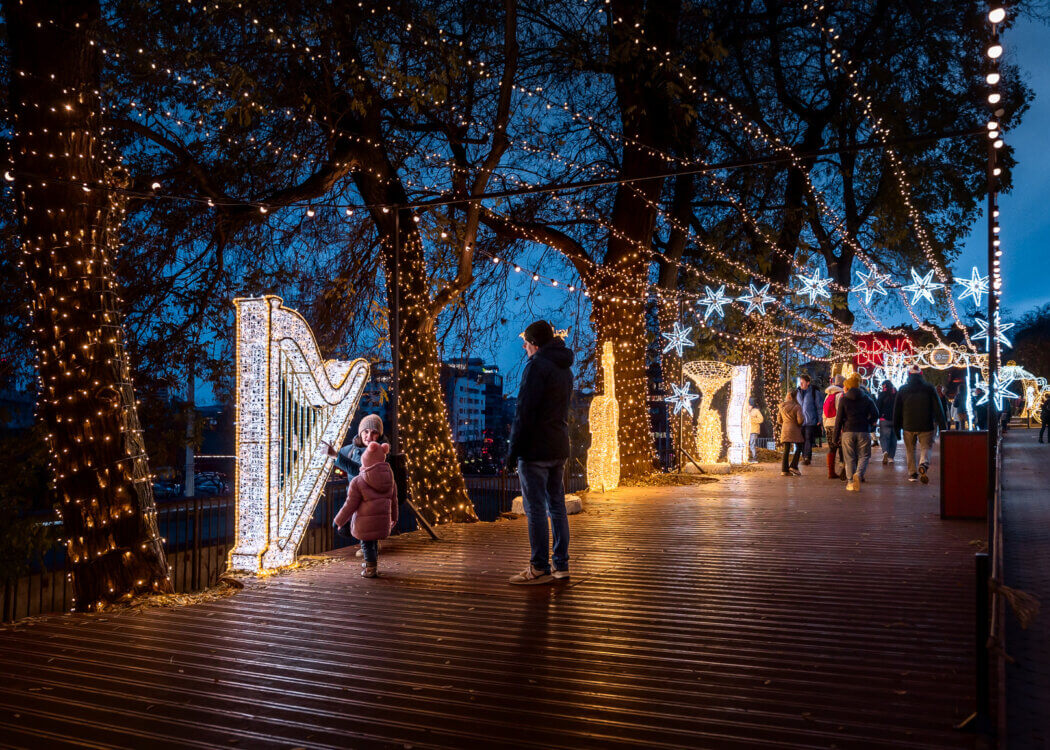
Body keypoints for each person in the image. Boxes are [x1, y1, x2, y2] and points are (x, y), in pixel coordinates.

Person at [506, 320, 574, 585]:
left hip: (534, 450)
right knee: (556, 506)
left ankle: (538, 567)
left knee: (535, 509)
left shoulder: (535, 367)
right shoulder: (564, 369)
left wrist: (513, 451)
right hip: (559, 446)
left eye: (526, 342)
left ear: (534, 343)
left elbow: (524, 412)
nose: (524, 347)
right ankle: (561, 564)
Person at [333, 442, 398, 578]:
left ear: (366, 460)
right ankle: (371, 562)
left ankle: (371, 568)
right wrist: (394, 517)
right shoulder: (390, 478)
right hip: (382, 520)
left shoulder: (358, 481)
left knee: (366, 544)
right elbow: (394, 500)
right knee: (373, 542)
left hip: (365, 521)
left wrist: (339, 520)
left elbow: (350, 505)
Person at [893, 365, 947, 484]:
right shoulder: (929, 388)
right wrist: (943, 427)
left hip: (908, 425)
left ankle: (912, 474)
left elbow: (896, 410)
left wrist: (896, 429)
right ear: (921, 375)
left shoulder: (902, 389)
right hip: (926, 424)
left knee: (910, 450)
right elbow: (938, 408)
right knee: (926, 447)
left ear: (909, 375)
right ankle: (923, 463)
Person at [834, 374, 880, 492]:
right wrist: (868, 422)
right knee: (864, 455)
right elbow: (876, 413)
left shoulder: (843, 399)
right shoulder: (866, 398)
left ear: (848, 387)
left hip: (848, 431)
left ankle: (850, 483)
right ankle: (858, 474)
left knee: (849, 458)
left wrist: (835, 436)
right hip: (863, 430)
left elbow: (838, 419)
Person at [823, 374, 846, 480]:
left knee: (832, 448)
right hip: (837, 425)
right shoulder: (840, 395)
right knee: (843, 448)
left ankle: (830, 472)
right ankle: (843, 471)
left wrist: (825, 425)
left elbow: (824, 412)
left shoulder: (828, 395)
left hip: (828, 425)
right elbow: (840, 411)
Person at [795, 374, 821, 465]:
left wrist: (819, 419)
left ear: (808, 382)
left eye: (802, 382)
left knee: (808, 439)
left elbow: (819, 407)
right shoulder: (797, 392)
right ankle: (803, 456)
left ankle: (807, 458)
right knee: (800, 440)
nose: (801, 384)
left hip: (810, 420)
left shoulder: (814, 392)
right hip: (800, 421)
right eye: (800, 382)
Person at [779, 390, 805, 477]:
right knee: (800, 446)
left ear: (788, 396)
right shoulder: (797, 407)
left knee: (786, 448)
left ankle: (784, 470)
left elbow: (779, 420)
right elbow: (800, 420)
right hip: (794, 429)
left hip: (785, 428)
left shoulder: (781, 406)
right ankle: (794, 466)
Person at [876, 380, 898, 464]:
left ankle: (885, 451)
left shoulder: (882, 394)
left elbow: (878, 406)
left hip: (884, 419)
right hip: (895, 420)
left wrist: (878, 417)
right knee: (893, 439)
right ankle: (891, 457)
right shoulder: (896, 394)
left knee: (884, 437)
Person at [748, 398, 764, 462]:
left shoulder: (756, 411)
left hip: (754, 431)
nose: (748, 407)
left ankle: (754, 458)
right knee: (748, 444)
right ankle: (749, 457)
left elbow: (761, 419)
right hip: (747, 431)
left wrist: (752, 420)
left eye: (749, 405)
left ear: (752, 405)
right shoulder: (745, 411)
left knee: (752, 444)